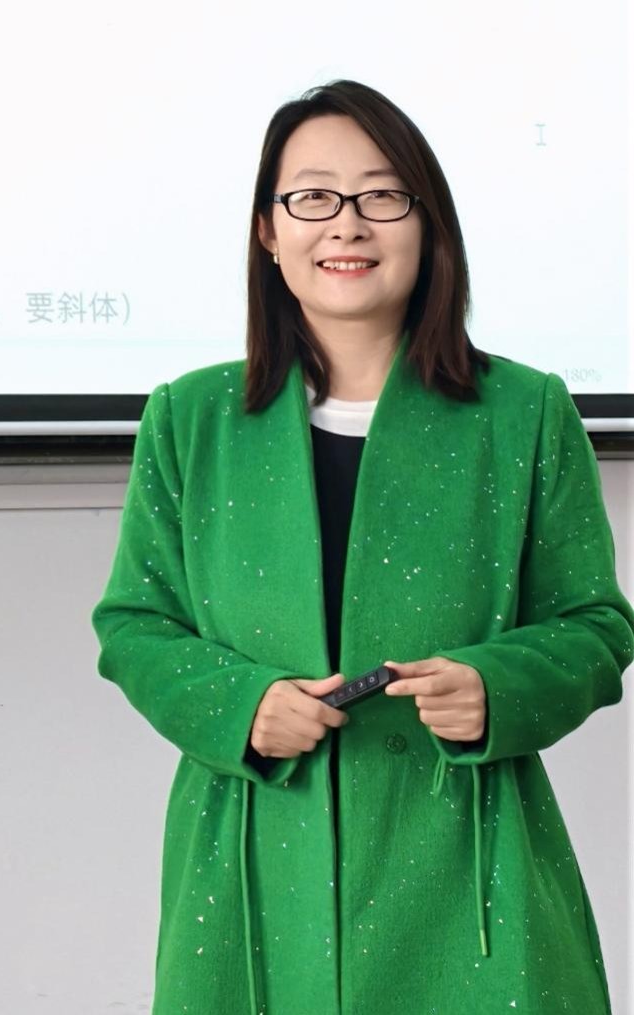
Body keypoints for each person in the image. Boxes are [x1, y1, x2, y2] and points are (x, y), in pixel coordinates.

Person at [90, 79, 634, 1015]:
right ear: (268, 231)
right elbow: (135, 623)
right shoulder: (190, 417)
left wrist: (495, 685)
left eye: (381, 196)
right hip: (255, 857)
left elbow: (595, 624)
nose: (345, 224)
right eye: (312, 196)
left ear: (428, 227)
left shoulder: (523, 411)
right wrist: (240, 705)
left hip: (467, 863)